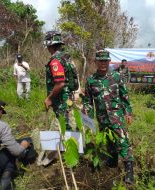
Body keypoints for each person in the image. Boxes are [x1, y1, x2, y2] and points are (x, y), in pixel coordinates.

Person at [82, 50, 134, 184]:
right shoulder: (91, 80)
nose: (103, 63)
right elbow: (88, 101)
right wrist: (87, 118)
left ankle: (129, 171)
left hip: (117, 116)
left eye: (105, 60)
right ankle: (112, 161)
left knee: (123, 141)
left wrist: (128, 112)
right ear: (96, 62)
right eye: (100, 61)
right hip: (102, 118)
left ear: (109, 61)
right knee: (109, 140)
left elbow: (125, 96)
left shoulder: (117, 76)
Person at [44, 31, 72, 130]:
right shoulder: (66, 58)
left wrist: (49, 98)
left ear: (50, 46)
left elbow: (60, 83)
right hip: (68, 98)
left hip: (61, 101)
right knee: (68, 125)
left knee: (65, 128)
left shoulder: (55, 61)